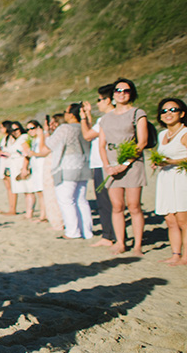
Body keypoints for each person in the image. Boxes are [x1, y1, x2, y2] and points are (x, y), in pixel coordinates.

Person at [98, 78, 148, 255]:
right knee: (117, 206)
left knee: (134, 205)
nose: (121, 94)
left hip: (132, 163)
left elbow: (142, 142)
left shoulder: (137, 113)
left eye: (125, 91)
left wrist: (125, 164)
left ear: (131, 93)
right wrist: (107, 166)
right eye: (118, 91)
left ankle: (137, 245)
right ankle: (121, 242)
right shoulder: (105, 118)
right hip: (111, 163)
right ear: (113, 95)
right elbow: (102, 144)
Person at [37, 104, 93, 239]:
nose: (65, 114)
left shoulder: (65, 128)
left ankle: (72, 232)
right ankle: (87, 231)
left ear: (71, 114)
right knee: (81, 200)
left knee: (66, 200)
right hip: (84, 165)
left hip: (67, 167)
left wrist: (44, 133)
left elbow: (48, 146)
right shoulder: (84, 128)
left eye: (65, 112)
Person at [79, 84, 117, 247]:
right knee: (109, 201)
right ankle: (111, 234)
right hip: (103, 163)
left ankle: (109, 235)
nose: (98, 103)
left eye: (99, 100)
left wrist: (82, 118)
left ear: (108, 100)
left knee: (105, 201)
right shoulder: (108, 119)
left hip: (103, 164)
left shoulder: (106, 119)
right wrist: (88, 115)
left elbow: (87, 135)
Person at [152, 98, 187, 266]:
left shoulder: (185, 133)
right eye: (164, 111)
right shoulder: (162, 134)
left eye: (173, 110)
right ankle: (175, 254)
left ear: (182, 113)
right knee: (170, 220)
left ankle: (186, 256)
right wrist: (156, 162)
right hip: (165, 178)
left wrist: (172, 162)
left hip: (181, 179)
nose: (168, 113)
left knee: (183, 221)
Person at [7, 122, 36, 219]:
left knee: (29, 190)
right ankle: (28, 211)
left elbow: (26, 153)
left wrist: (25, 168)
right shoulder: (15, 140)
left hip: (22, 164)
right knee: (25, 190)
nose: (15, 132)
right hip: (15, 164)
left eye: (16, 129)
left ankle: (29, 212)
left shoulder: (23, 138)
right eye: (12, 130)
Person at [23, 120, 46, 222]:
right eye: (27, 129)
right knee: (39, 191)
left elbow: (43, 152)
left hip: (42, 166)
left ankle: (43, 215)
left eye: (32, 128)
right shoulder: (34, 139)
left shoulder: (42, 137)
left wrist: (33, 154)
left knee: (42, 192)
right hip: (36, 167)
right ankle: (42, 214)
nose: (30, 131)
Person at [0, 120, 17, 215]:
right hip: (4, 164)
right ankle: (11, 207)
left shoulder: (11, 138)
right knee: (8, 187)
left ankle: (13, 209)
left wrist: (4, 152)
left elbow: (12, 151)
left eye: (2, 127)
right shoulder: (4, 138)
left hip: (9, 164)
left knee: (11, 187)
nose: (0, 129)